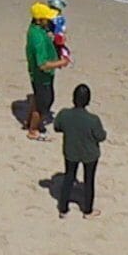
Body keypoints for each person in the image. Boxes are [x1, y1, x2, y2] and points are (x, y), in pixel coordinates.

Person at [51, 82, 106, 217]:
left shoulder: (64, 114)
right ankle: (87, 210)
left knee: (69, 177)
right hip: (90, 154)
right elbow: (101, 136)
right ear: (88, 101)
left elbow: (57, 127)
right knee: (89, 181)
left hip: (71, 151)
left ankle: (63, 208)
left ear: (73, 98)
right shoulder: (93, 120)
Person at [21, 0, 71, 140]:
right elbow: (42, 64)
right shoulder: (39, 39)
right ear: (40, 20)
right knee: (45, 102)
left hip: (38, 74)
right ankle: (33, 130)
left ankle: (29, 122)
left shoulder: (35, 29)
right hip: (41, 75)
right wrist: (61, 62)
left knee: (38, 98)